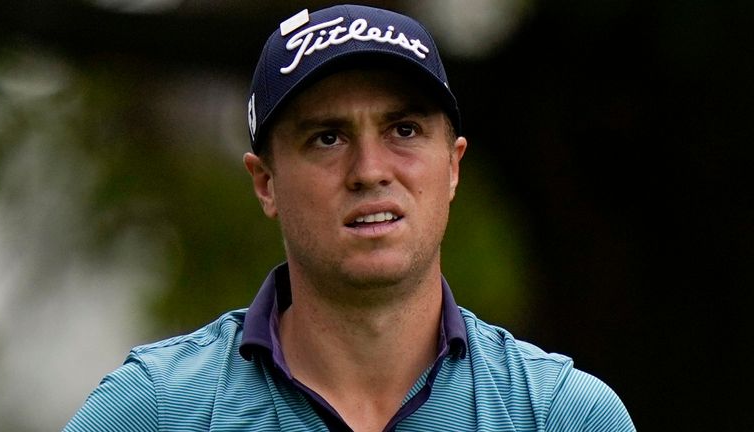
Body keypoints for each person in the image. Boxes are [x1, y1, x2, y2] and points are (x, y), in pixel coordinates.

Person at [64, 4, 635, 432]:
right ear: (266, 183)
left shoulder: (561, 413)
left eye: (404, 131)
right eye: (328, 137)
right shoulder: (156, 408)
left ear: (453, 166)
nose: (369, 170)